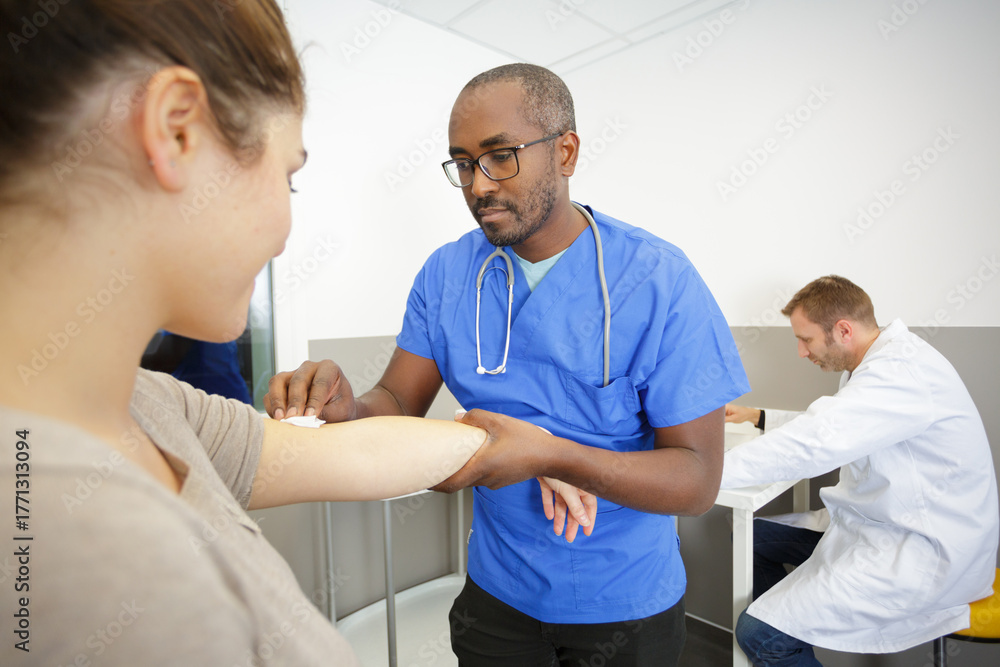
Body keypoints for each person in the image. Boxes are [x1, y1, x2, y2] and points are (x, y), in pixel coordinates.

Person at [0, 3, 592, 665]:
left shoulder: (149, 405)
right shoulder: (104, 570)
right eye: (289, 177)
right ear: (175, 132)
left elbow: (358, 453)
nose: (286, 229)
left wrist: (531, 448)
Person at [266, 63, 749, 665]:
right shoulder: (446, 275)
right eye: (464, 164)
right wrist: (346, 406)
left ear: (566, 152)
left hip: (624, 605)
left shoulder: (659, 280)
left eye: (500, 156)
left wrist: (552, 452)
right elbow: (392, 403)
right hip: (497, 596)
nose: (479, 185)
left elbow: (697, 481)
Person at [723, 275, 999, 666]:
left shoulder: (901, 373)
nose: (801, 352)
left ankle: (781, 637)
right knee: (748, 537)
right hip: (871, 525)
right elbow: (836, 424)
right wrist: (760, 416)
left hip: (923, 549)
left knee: (759, 634)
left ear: (843, 330)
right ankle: (793, 633)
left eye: (806, 340)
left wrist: (700, 473)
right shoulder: (872, 365)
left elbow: (817, 440)